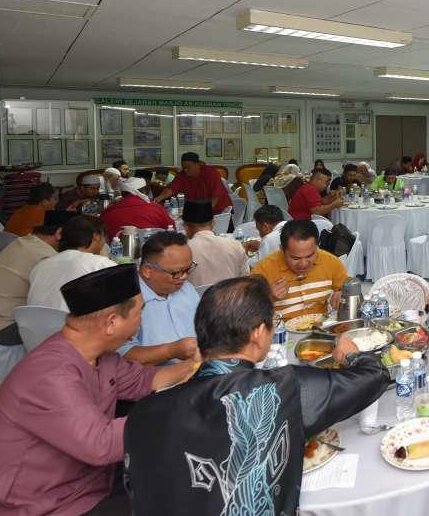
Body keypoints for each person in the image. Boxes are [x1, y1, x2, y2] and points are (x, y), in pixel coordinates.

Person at [123, 276, 388, 515]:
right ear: (258, 333)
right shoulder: (278, 390)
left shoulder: (141, 415)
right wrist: (350, 354)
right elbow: (374, 376)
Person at [0, 265, 196, 515]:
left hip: (88, 482)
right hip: (39, 505)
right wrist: (175, 411)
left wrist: (200, 363)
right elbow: (100, 445)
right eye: (140, 311)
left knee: (178, 479)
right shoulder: (50, 373)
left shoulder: (100, 357)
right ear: (112, 322)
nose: (142, 320)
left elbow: (145, 380)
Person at [121, 231, 201, 366]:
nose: (184, 277)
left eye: (188, 269)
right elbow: (123, 356)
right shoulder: (128, 300)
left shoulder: (186, 289)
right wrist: (171, 351)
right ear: (148, 271)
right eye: (176, 272)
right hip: (156, 376)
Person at [0, 224, 60, 345]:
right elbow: (49, 304)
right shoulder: (45, 256)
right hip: (2, 327)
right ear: (59, 233)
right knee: (69, 330)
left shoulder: (24, 242)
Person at [251, 219, 349, 322]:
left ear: (317, 247)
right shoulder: (264, 269)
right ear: (282, 250)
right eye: (295, 258)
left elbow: (351, 287)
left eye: (310, 256)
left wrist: (343, 292)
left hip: (322, 327)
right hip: (280, 329)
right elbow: (246, 311)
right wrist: (269, 296)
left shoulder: (330, 261)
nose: (303, 263)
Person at [28, 216, 116, 312]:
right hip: (72, 321)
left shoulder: (40, 266)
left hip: (36, 321)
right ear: (96, 237)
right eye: (104, 237)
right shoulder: (100, 264)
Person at [182, 201, 249, 287]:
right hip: (229, 294)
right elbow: (245, 280)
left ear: (186, 227)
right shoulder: (236, 245)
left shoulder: (183, 250)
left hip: (195, 296)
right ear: (213, 224)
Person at [100, 177, 177, 238]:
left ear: (122, 193)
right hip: (153, 250)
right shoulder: (156, 209)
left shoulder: (107, 212)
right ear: (144, 191)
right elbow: (172, 230)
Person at [154, 152, 231, 213]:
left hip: (219, 210)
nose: (185, 170)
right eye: (183, 168)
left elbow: (216, 196)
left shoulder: (210, 173)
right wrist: (159, 198)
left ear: (197, 164)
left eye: (188, 167)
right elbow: (171, 189)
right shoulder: (182, 175)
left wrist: (205, 211)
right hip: (198, 209)